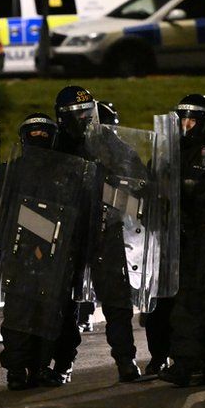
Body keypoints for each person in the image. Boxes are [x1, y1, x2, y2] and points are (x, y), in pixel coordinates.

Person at [0, 113, 96, 390]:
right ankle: (21, 368)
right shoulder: (9, 174)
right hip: (34, 258)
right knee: (26, 315)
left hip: (45, 259)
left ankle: (29, 368)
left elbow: (78, 219)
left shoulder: (67, 173)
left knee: (37, 315)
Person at [53, 85, 142, 383]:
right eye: (74, 114)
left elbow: (138, 181)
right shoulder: (55, 145)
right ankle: (62, 363)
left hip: (106, 230)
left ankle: (126, 360)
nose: (81, 119)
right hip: (67, 234)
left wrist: (118, 195)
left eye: (86, 112)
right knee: (63, 303)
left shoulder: (108, 142)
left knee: (116, 301)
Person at [158, 94, 205, 387]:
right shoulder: (169, 152)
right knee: (192, 302)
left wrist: (193, 195)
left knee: (192, 302)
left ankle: (186, 364)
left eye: (193, 120)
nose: (187, 125)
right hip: (179, 236)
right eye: (183, 119)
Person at [77, 101, 119, 334]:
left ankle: (89, 310)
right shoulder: (79, 148)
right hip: (82, 216)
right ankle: (83, 309)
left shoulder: (118, 152)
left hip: (107, 220)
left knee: (106, 279)